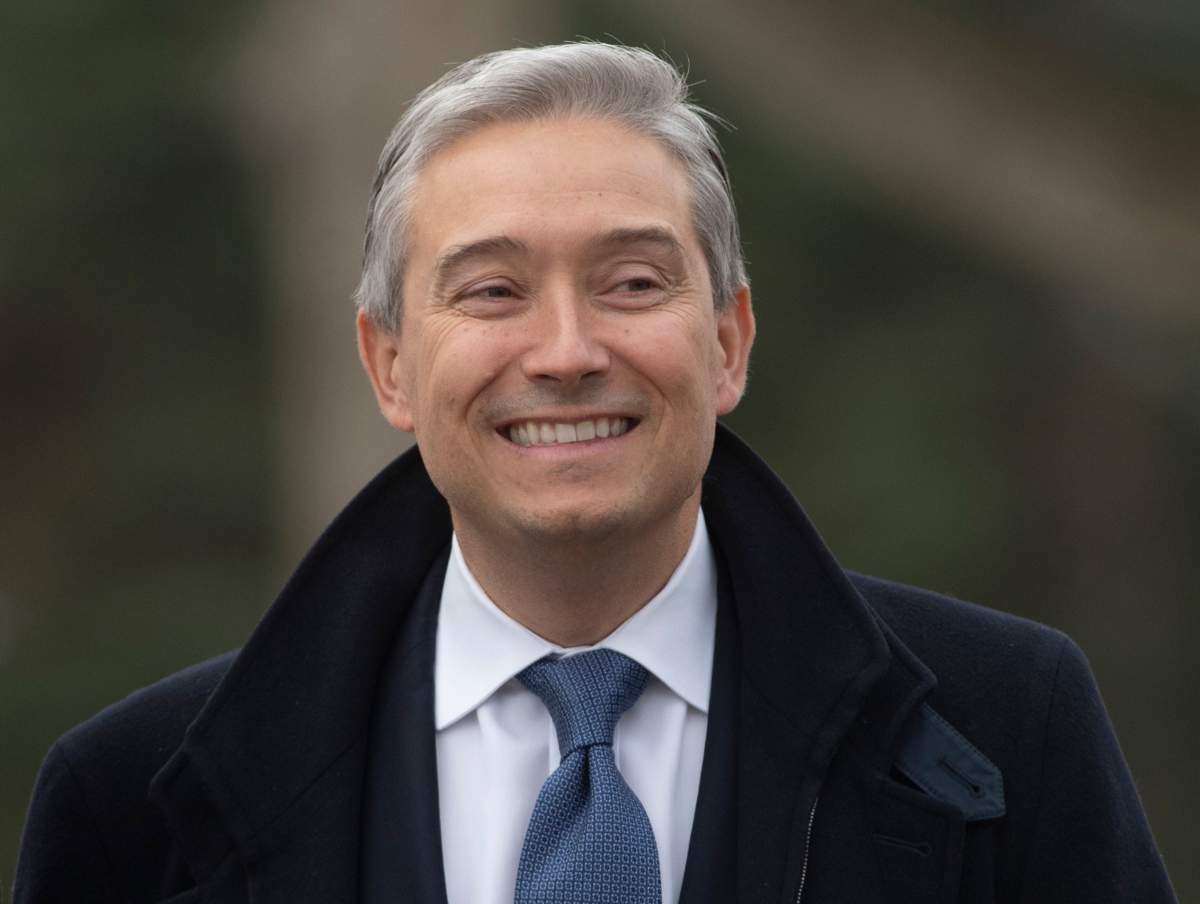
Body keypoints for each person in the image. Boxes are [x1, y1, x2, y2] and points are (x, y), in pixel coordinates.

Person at [15, 42, 1174, 904]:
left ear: (728, 341)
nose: (567, 352)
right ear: (390, 365)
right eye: (492, 291)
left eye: (631, 283)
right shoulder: (129, 805)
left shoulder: (1009, 729)